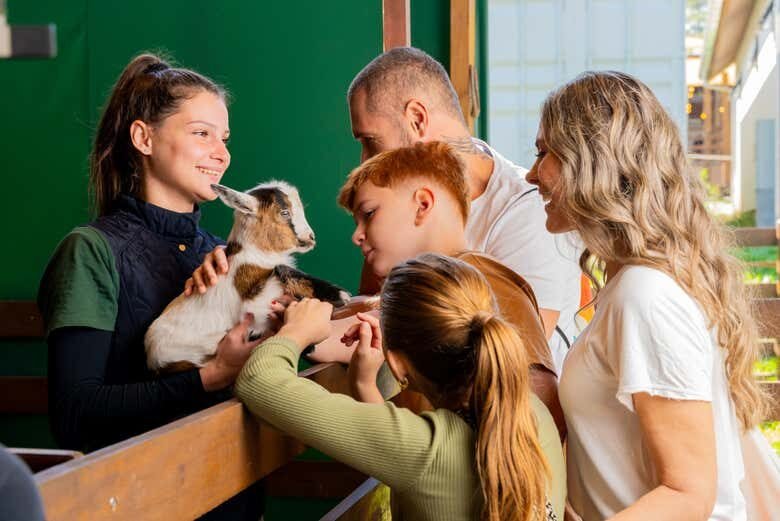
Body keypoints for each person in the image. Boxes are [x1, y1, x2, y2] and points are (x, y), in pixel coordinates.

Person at [188, 47, 582, 374]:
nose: (362, 160)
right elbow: (371, 314)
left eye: (370, 141)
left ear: (416, 119)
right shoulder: (399, 210)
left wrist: (305, 335)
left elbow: (511, 355)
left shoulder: (530, 214)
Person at [526, 70, 770, 520]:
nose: (531, 174)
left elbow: (687, 496)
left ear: (591, 158)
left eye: (544, 154)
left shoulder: (644, 295)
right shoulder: (630, 284)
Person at [37, 53, 263, 519]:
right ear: (143, 138)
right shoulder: (92, 252)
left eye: (224, 138)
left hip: (233, 496)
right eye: (202, 134)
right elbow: (75, 413)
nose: (222, 153)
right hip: (138, 502)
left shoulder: (225, 254)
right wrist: (211, 376)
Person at [235, 253, 566, 521]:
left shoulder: (425, 449)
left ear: (398, 366)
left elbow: (259, 382)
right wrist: (365, 383)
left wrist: (297, 331)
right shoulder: (532, 412)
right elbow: (417, 459)